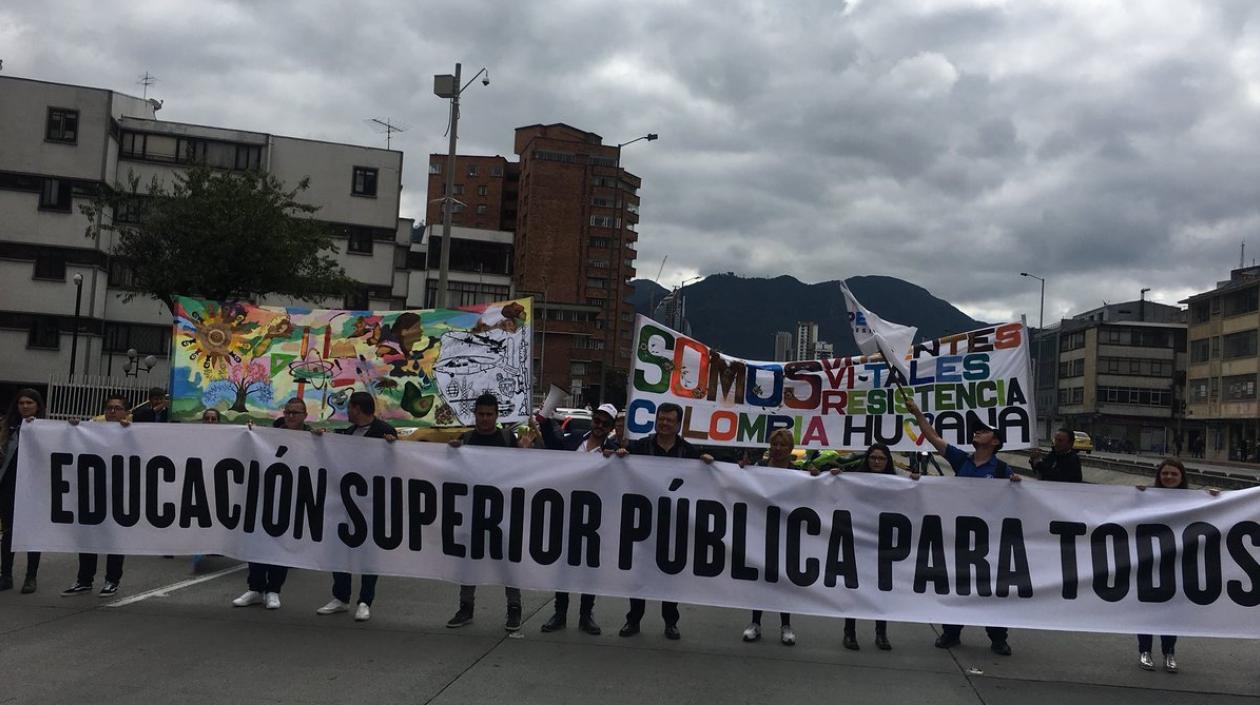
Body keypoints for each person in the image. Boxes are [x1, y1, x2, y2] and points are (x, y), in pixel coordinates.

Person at [904, 395, 1020, 656]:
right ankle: (951, 632)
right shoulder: (962, 460)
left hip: (989, 540)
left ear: (996, 442)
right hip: (959, 537)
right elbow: (933, 437)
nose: (978, 432)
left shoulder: (1002, 470)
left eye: (985, 430)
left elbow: (1017, 502)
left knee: (991, 588)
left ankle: (998, 636)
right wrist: (918, 414)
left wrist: (1017, 486)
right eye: (977, 429)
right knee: (957, 585)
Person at [613, 402, 714, 640]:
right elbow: (615, 459)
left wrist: (710, 460)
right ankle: (633, 619)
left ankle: (670, 621)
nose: (664, 423)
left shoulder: (688, 451)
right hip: (644, 522)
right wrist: (618, 455)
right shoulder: (641, 447)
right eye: (661, 419)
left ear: (678, 424)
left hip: (674, 523)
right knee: (639, 574)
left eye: (670, 420)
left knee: (670, 575)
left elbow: (712, 467)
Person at [445, 393, 533, 632]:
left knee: (508, 563)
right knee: (469, 563)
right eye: (481, 414)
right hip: (472, 513)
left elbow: (532, 468)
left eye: (489, 414)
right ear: (474, 414)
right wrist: (452, 452)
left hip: (503, 514)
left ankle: (514, 609)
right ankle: (465, 608)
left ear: (497, 415)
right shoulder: (466, 440)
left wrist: (527, 450)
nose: (484, 419)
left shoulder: (508, 438)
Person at [534, 402, 622, 635]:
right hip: (568, 512)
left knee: (588, 568)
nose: (599, 426)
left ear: (611, 426)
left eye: (605, 423)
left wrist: (617, 458)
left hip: (595, 518)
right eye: (597, 420)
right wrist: (543, 421)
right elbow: (552, 444)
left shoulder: (613, 449)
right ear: (593, 419)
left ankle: (586, 614)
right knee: (563, 567)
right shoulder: (574, 439)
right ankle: (560, 613)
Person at [316, 391, 397, 622]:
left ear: (357, 409)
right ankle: (340, 597)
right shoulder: (349, 433)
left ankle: (365, 600)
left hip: (372, 503)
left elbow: (396, 464)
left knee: (368, 554)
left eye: (349, 408)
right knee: (339, 549)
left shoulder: (384, 432)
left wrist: (394, 447)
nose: (347, 412)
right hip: (346, 502)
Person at [1133, 458, 1220, 673]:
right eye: (1165, 474)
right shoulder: (1147, 497)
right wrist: (1136, 495)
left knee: (1171, 611)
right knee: (1147, 609)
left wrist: (1216, 498)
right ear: (1158, 476)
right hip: (1149, 561)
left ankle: (1169, 652)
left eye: (1173, 474)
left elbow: (1215, 516)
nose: (1169, 477)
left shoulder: (1193, 500)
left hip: (1178, 564)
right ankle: (1145, 651)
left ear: (1182, 477)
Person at [233, 398, 308, 611]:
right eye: (288, 412)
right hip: (264, 496)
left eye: (296, 412)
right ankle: (255, 588)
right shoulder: (269, 435)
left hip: (291, 499)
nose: (291, 416)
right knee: (257, 543)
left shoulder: (312, 437)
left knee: (281, 545)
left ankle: (274, 589)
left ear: (305, 415)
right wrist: (250, 433)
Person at [62, 395, 131, 597]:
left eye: (117, 408)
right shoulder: (90, 430)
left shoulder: (131, 431)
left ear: (125, 412)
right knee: (88, 536)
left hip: (119, 493)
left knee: (114, 538)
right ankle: (84, 580)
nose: (112, 411)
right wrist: (74, 428)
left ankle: (112, 580)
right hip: (92, 490)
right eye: (109, 408)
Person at [737, 428, 797, 646]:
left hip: (786, 533)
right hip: (759, 530)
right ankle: (755, 622)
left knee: (783, 580)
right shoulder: (758, 469)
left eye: (783, 445)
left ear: (790, 449)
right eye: (775, 444)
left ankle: (786, 625)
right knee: (759, 578)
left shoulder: (798, 472)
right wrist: (741, 470)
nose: (778, 449)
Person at [837, 442, 896, 651]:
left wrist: (917, 481)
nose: (877, 462)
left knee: (880, 590)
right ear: (867, 460)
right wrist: (834, 477)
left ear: (887, 461)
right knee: (854, 587)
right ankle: (849, 632)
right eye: (873, 458)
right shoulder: (855, 480)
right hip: (858, 542)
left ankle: (881, 633)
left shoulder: (896, 484)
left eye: (881, 459)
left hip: (883, 544)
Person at [1, 389, 45, 593]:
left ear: (37, 405)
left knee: (32, 533)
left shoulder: (46, 428)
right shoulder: (7, 427)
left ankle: (31, 577)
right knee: (9, 532)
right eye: (21, 403)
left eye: (29, 403)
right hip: (8, 485)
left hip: (33, 487)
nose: (25, 406)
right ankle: (6, 575)